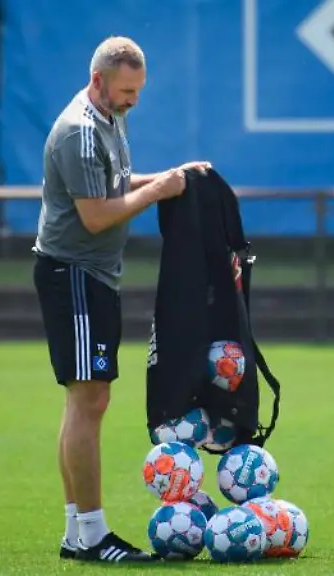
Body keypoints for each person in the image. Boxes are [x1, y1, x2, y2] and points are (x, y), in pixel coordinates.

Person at [31, 35, 210, 564]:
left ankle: (77, 532)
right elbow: (96, 215)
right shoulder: (80, 132)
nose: (133, 100)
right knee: (91, 401)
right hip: (74, 274)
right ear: (97, 81)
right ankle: (91, 534)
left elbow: (116, 184)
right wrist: (157, 193)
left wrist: (172, 177)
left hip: (91, 275)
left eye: (138, 91)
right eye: (126, 90)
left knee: (85, 403)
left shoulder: (109, 118)